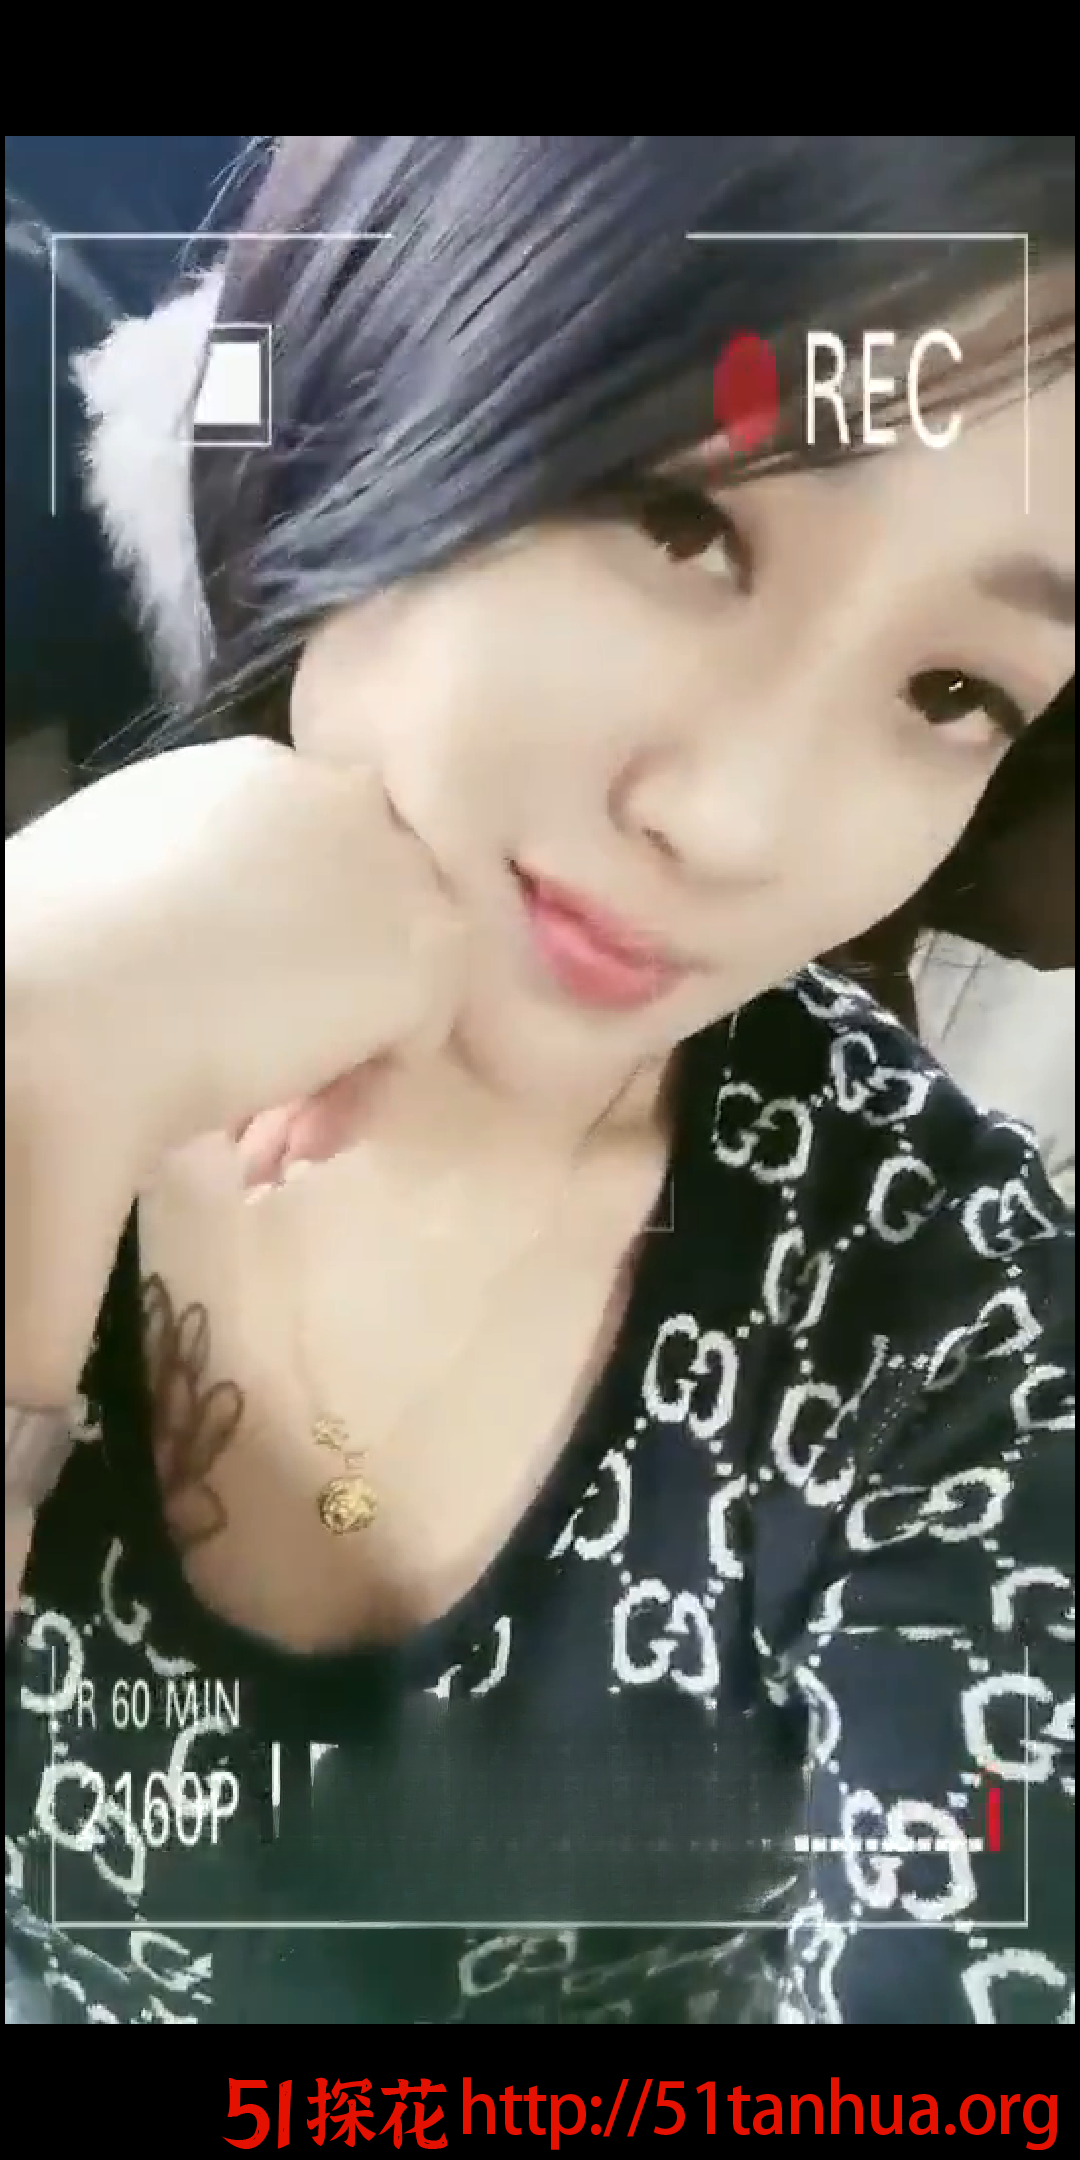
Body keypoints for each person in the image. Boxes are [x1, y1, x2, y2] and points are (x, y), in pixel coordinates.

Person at [5, 136, 1075, 2028]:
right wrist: (35, 1076)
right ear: (377, 374)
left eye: (950, 693)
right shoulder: (46, 995)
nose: (740, 824)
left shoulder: (953, 1321)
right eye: (680, 520)